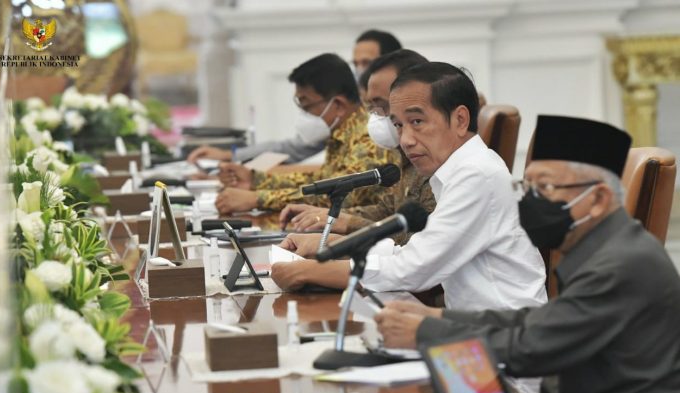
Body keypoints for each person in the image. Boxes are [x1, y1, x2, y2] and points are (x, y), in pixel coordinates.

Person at [373, 115, 680, 393]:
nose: (531, 202)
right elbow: (539, 321)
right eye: (528, 187)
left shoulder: (622, 263)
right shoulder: (604, 247)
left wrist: (426, 331)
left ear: (597, 199)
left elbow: (532, 347)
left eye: (545, 188)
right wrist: (437, 316)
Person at [271, 62, 546, 314]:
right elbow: (412, 252)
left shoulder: (477, 175)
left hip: (506, 343)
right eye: (399, 125)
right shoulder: (460, 169)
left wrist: (308, 271)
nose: (406, 140)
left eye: (417, 122)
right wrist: (331, 244)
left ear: (460, 120)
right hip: (477, 329)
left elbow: (413, 269)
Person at [279, 49, 436, 245]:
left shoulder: (434, 162)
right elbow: (387, 209)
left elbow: (416, 243)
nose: (376, 117)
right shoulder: (405, 154)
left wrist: (345, 228)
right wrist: (332, 217)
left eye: (382, 106)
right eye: (371, 107)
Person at [214, 53, 398, 214]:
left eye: (307, 106)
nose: (304, 115)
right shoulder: (341, 133)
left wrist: (257, 198)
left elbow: (338, 197)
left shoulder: (367, 139)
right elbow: (320, 181)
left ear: (338, 105)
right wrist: (255, 180)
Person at [188, 29, 402, 165]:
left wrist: (256, 189)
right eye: (355, 64)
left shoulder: (383, 117)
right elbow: (293, 150)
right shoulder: (342, 113)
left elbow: (339, 188)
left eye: (366, 63)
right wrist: (235, 158)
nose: (359, 72)